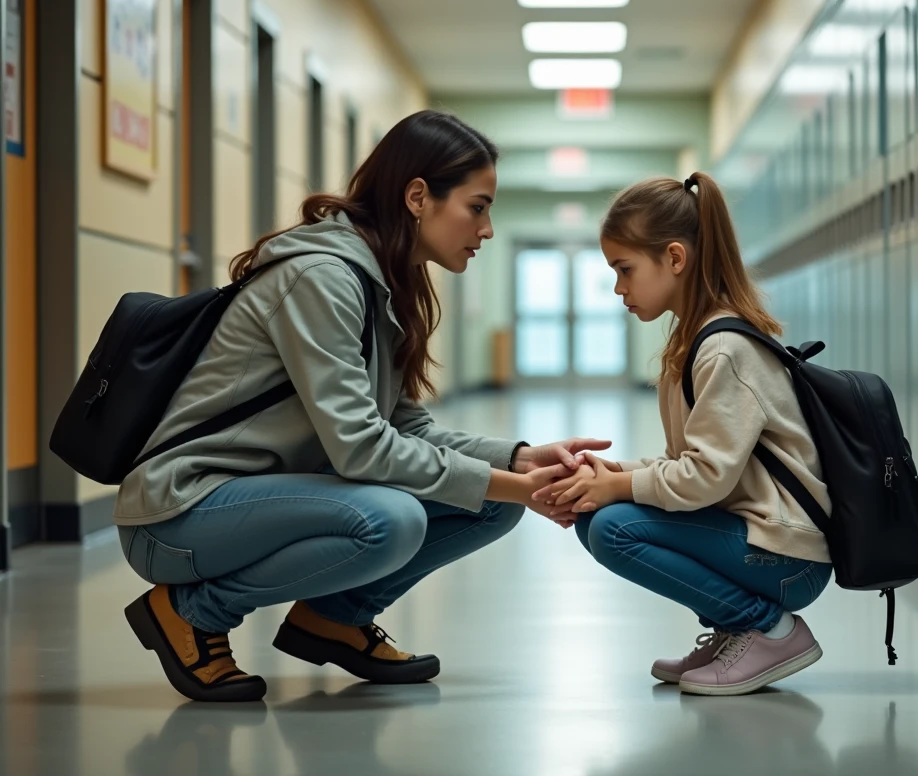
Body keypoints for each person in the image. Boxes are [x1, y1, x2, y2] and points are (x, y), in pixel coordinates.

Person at [115, 110, 607, 703]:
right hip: (181, 512)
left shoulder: (381, 280)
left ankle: (333, 619)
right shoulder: (322, 276)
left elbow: (406, 427)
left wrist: (522, 460)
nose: (487, 229)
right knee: (390, 519)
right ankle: (191, 612)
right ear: (419, 197)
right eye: (478, 207)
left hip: (257, 499)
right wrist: (513, 483)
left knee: (490, 506)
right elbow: (360, 447)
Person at [533, 172, 833, 697]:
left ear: (674, 258)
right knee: (596, 518)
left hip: (790, 559)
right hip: (758, 540)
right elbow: (692, 464)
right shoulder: (696, 339)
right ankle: (738, 627)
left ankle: (769, 628)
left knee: (612, 528)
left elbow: (705, 478)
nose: (618, 287)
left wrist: (619, 488)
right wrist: (612, 475)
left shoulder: (723, 349)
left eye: (624, 269)